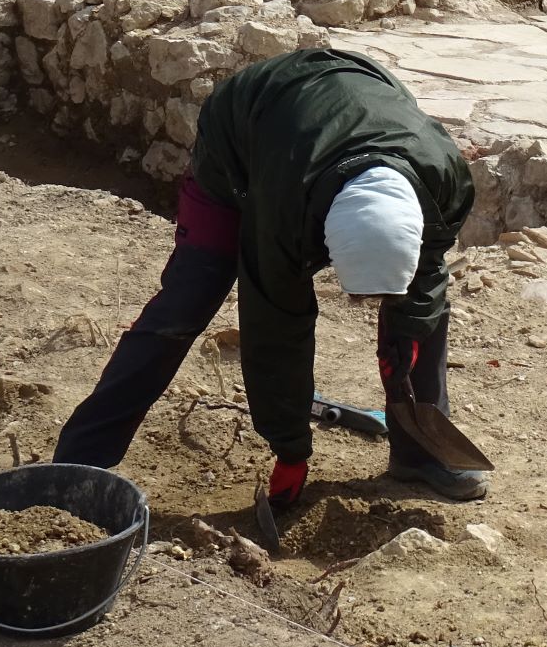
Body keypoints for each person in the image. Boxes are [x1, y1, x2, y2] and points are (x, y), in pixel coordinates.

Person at [51, 48, 485, 503]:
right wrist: (291, 449)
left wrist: (406, 345)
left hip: (349, 99)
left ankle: (421, 454)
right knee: (187, 301)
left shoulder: (445, 181)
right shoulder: (283, 210)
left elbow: (426, 282)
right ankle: (79, 464)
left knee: (424, 314)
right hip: (242, 138)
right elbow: (275, 327)